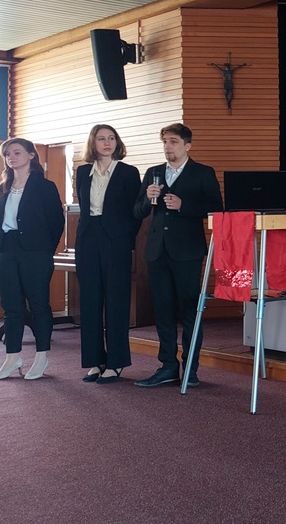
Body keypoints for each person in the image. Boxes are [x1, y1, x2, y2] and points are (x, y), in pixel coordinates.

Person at [133, 123, 222, 388]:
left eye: (173, 142)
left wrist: (184, 206)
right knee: (162, 310)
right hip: (157, 251)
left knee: (190, 311)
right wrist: (146, 198)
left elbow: (217, 209)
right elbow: (137, 211)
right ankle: (168, 367)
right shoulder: (153, 172)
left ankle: (191, 368)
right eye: (164, 142)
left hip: (188, 252)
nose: (167, 147)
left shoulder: (203, 173)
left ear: (187, 146)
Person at [0, 138, 65, 381]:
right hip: (7, 251)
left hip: (37, 252)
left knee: (39, 304)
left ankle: (41, 356)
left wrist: (46, 249)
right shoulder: (2, 188)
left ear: (31, 155)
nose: (11, 157)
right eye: (7, 154)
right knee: (11, 307)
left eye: (17, 152)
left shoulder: (45, 187)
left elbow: (57, 222)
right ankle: (12, 357)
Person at [75, 125, 142, 384]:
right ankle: (95, 361)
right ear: (93, 143)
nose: (107, 142)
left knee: (116, 300)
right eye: (101, 138)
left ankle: (116, 362)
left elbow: (135, 212)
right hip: (87, 239)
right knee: (90, 301)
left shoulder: (128, 172)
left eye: (111, 138)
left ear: (117, 143)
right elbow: (83, 207)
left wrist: (124, 237)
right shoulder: (83, 172)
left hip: (116, 241)